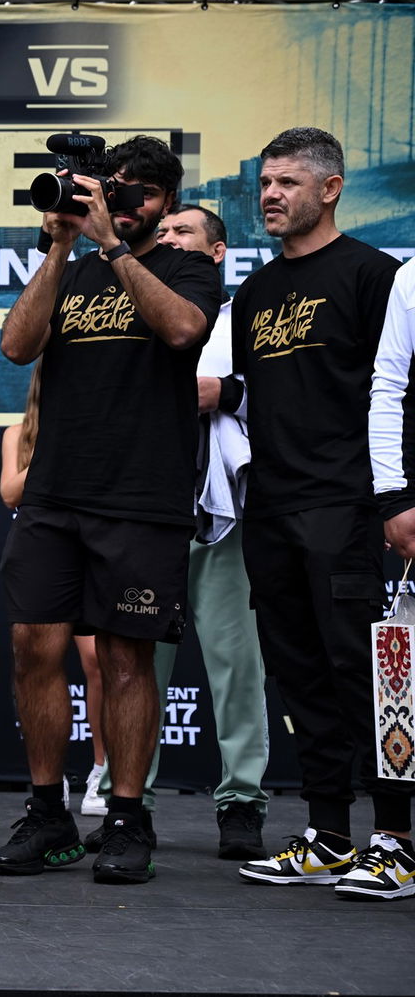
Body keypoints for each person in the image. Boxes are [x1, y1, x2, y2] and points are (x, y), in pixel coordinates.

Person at [0, 135, 221, 885]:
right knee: (33, 646)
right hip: (56, 491)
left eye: (134, 194)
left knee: (125, 658)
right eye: (109, 190)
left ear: (162, 202)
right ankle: (47, 814)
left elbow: (182, 330)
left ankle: (127, 816)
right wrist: (63, 246)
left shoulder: (185, 265)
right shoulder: (72, 267)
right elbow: (15, 346)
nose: (119, 204)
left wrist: (114, 247)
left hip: (141, 496)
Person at [235, 127, 412, 899]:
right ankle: (330, 834)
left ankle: (397, 842)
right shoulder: (254, 293)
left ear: (331, 189)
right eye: (266, 182)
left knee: (366, 675)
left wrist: (397, 497)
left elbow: (398, 393)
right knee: (300, 674)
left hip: (348, 505)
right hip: (272, 508)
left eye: (288, 182)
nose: (271, 195)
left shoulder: (375, 276)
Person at [142, 204, 270, 860]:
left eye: (183, 231)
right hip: (143, 517)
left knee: (236, 666)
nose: (168, 237)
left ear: (218, 252)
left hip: (222, 516)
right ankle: (128, 803)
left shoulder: (247, 317)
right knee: (136, 668)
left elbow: (295, 399)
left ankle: (242, 800)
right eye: (162, 231)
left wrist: (226, 392)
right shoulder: (133, 311)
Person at [0, 361, 107, 815]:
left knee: (98, 660)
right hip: (39, 553)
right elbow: (10, 492)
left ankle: (102, 772)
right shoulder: (17, 433)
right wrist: (59, 444)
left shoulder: (98, 427)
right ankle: (51, 781)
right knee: (36, 661)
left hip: (90, 548)